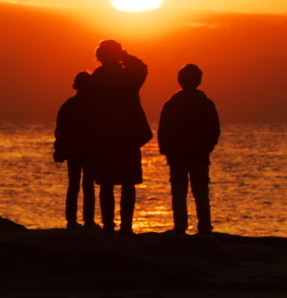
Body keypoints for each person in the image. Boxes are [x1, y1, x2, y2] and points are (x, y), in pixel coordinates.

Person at [88, 39, 152, 235]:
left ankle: (108, 226)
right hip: (128, 135)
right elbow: (142, 67)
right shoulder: (128, 76)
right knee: (127, 183)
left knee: (106, 183)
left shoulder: (97, 78)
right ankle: (126, 227)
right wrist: (125, 56)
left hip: (105, 134)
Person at [157, 63, 221, 235]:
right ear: (199, 80)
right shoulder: (206, 103)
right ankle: (205, 229)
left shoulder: (171, 104)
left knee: (179, 193)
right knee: (201, 193)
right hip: (199, 154)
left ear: (179, 80)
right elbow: (214, 129)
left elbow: (163, 129)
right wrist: (207, 147)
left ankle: (180, 228)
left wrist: (165, 148)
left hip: (177, 155)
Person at [53, 71, 97, 229]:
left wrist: (60, 149)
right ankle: (88, 221)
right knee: (88, 186)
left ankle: (72, 221)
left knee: (74, 185)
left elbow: (60, 131)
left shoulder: (69, 105)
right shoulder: (95, 106)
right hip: (90, 150)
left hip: (74, 150)